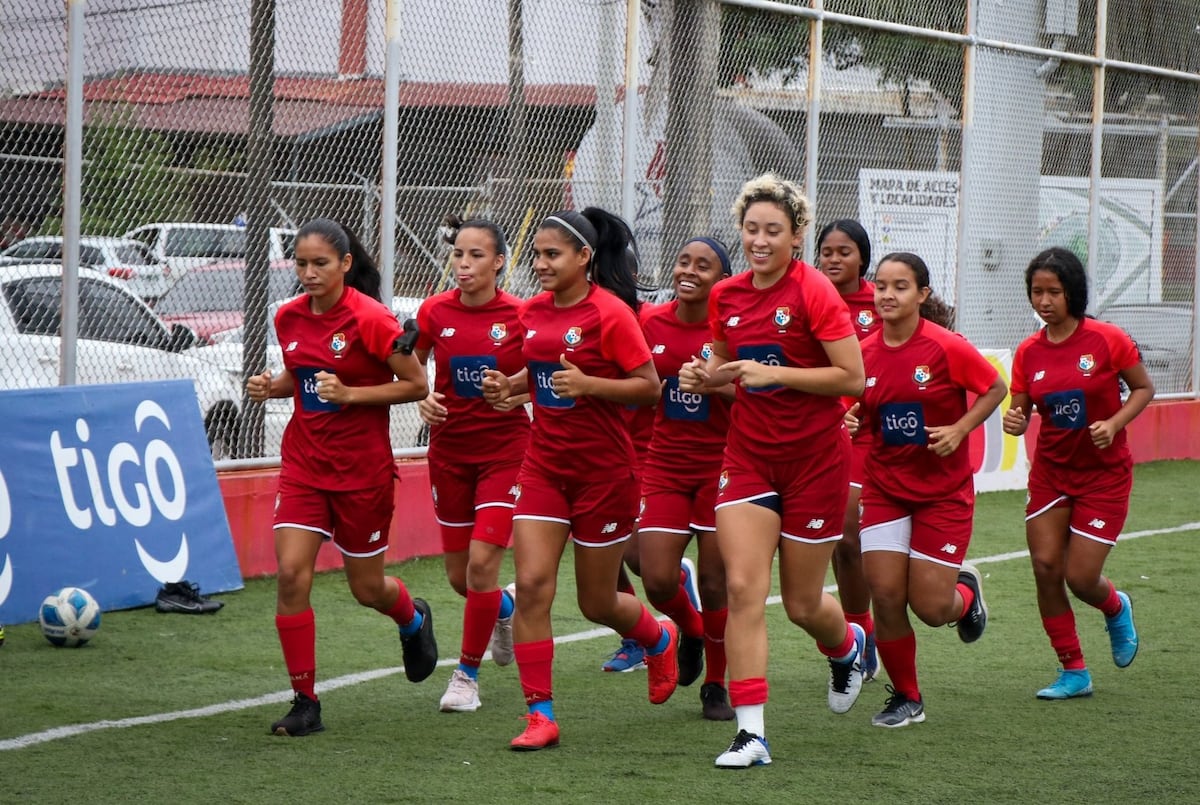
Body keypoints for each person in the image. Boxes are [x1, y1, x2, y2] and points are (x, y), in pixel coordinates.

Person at [679, 174, 867, 769]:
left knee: (804, 604)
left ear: (796, 235)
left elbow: (852, 379)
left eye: (773, 232)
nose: (760, 241)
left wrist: (775, 374)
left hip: (815, 461)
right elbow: (720, 362)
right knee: (742, 589)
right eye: (752, 229)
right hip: (749, 457)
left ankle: (847, 646)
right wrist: (703, 375)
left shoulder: (814, 293)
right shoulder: (727, 296)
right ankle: (751, 733)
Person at [480, 207, 676, 752]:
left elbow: (648, 387)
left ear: (584, 258)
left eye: (552, 255)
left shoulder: (611, 314)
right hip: (543, 467)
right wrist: (510, 389)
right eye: (537, 254)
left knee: (597, 602)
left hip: (605, 474)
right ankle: (540, 715)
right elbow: (541, 372)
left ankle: (659, 637)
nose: (540, 264)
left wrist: (590, 384)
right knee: (535, 587)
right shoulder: (534, 312)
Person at [246, 218, 437, 737]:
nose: (307, 273)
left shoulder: (372, 320)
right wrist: (274, 385)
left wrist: (351, 394)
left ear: (345, 264)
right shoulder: (287, 317)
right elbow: (302, 374)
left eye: (320, 264)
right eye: (301, 264)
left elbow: (416, 385)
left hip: (362, 472)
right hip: (305, 465)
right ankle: (305, 701)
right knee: (291, 576)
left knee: (367, 587)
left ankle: (413, 617)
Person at [853, 251, 1006, 729]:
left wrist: (960, 429)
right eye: (880, 285)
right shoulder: (861, 351)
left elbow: (995, 388)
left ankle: (965, 594)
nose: (887, 295)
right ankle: (907, 697)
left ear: (922, 295)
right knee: (884, 591)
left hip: (943, 492)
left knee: (932, 608)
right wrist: (852, 416)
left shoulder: (945, 347)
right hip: (884, 487)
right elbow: (856, 408)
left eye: (900, 286)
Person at [1002, 247, 1153, 700]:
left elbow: (1144, 388)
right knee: (1046, 566)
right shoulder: (1028, 352)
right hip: (1051, 473)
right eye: (1036, 292)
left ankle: (1115, 605)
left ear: (1074, 292)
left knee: (1081, 577)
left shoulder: (1107, 339)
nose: (1044, 301)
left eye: (1053, 291)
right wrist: (1015, 419)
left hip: (1103, 475)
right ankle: (1073, 669)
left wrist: (1115, 423)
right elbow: (1021, 408)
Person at [413, 215, 529, 713]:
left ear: (499, 261)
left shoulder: (523, 315)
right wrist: (421, 396)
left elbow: (542, 372)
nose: (463, 264)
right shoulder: (433, 311)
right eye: (458, 254)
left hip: (507, 451)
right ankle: (505, 607)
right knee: (463, 579)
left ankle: (466, 676)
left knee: (483, 564)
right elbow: (408, 362)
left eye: (476, 255)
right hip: (450, 453)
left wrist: (513, 390)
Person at [638, 236, 736, 720]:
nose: (689, 271)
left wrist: (716, 382)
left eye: (704, 265)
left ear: (722, 279)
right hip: (665, 464)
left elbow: (761, 393)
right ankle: (691, 628)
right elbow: (633, 380)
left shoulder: (732, 329)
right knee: (655, 577)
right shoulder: (650, 321)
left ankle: (716, 683)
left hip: (723, 467)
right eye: (683, 261)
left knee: (718, 580)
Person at [816, 218, 880, 680]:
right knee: (843, 540)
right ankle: (861, 632)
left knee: (851, 533)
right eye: (827, 251)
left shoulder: (880, 300)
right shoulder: (808, 298)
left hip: (874, 432)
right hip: (824, 429)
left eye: (844, 252)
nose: (834, 259)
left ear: (862, 258)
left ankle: (862, 631)